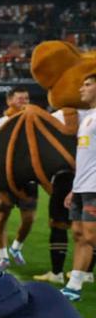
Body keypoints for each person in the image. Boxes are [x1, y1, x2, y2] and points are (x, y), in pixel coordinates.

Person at [0, 87, 37, 271]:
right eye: (20, 98)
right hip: (5, 180)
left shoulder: (33, 122)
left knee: (29, 218)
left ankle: (16, 247)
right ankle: (3, 257)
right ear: (9, 101)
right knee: (2, 217)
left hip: (27, 178)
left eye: (27, 98)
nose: (24, 102)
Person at [62, 73, 96, 301]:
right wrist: (74, 188)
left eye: (87, 84)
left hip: (94, 187)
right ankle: (74, 287)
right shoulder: (87, 117)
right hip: (81, 186)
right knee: (78, 234)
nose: (81, 89)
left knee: (92, 236)